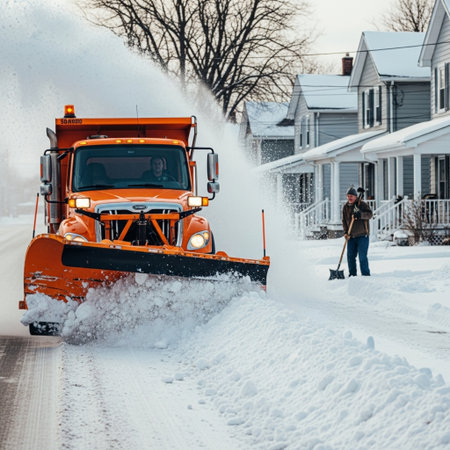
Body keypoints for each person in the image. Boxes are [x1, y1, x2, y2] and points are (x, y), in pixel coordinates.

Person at [342, 187, 373, 276]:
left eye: (351, 196)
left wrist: (360, 215)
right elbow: (344, 221)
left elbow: (370, 215)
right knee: (350, 257)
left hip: (362, 236)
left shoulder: (362, 205)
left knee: (362, 257)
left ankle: (366, 275)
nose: (349, 198)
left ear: (355, 196)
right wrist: (345, 232)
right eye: (348, 196)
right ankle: (352, 275)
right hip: (351, 236)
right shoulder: (345, 207)